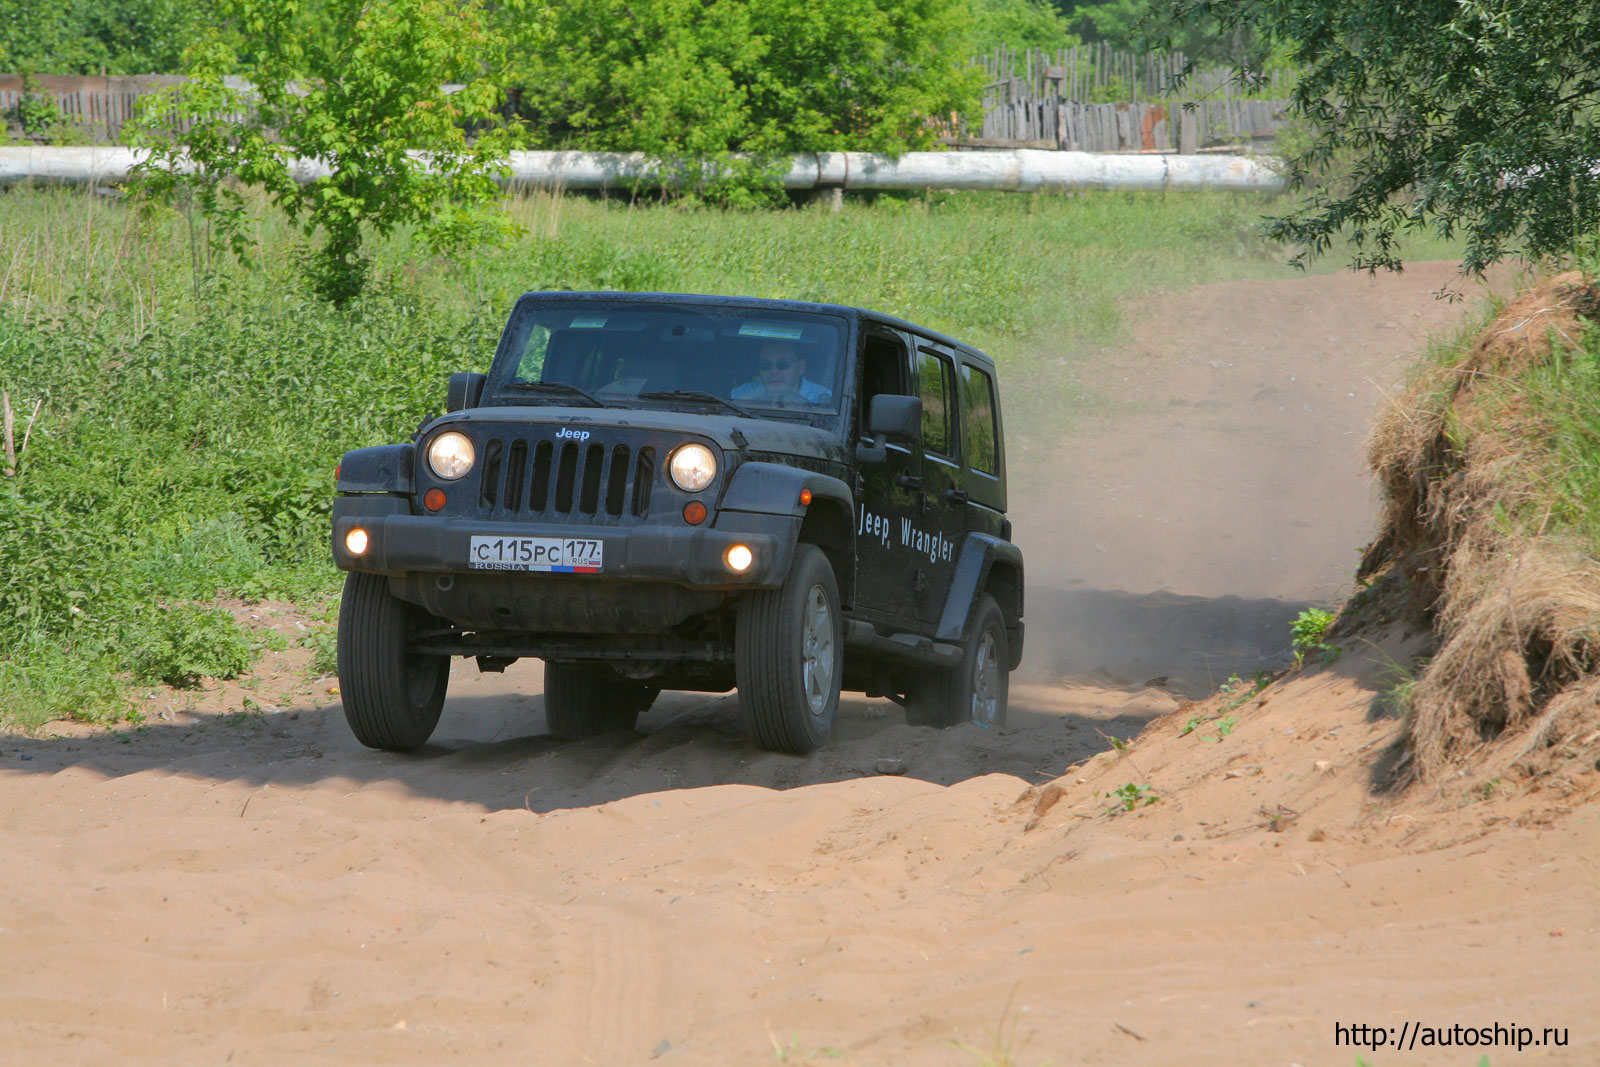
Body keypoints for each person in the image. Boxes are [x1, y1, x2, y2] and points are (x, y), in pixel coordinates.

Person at [731, 341, 832, 405]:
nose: (774, 371)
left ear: (801, 367)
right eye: (765, 365)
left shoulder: (824, 400)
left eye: (783, 365)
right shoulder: (740, 394)